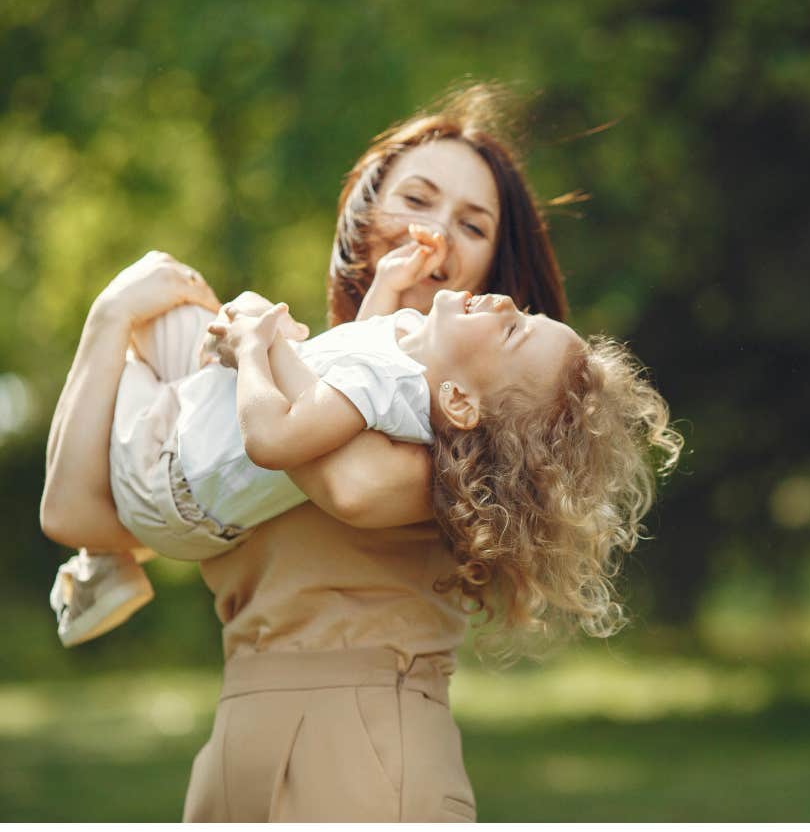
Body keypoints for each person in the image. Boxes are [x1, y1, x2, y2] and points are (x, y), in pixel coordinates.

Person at [40, 85, 681, 822]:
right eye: (418, 199)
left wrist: (255, 351)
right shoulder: (310, 373)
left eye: (472, 225)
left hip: (365, 754)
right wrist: (112, 314)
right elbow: (73, 513)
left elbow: (348, 483)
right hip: (236, 746)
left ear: (494, 268)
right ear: (364, 213)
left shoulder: (461, 446)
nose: (436, 234)